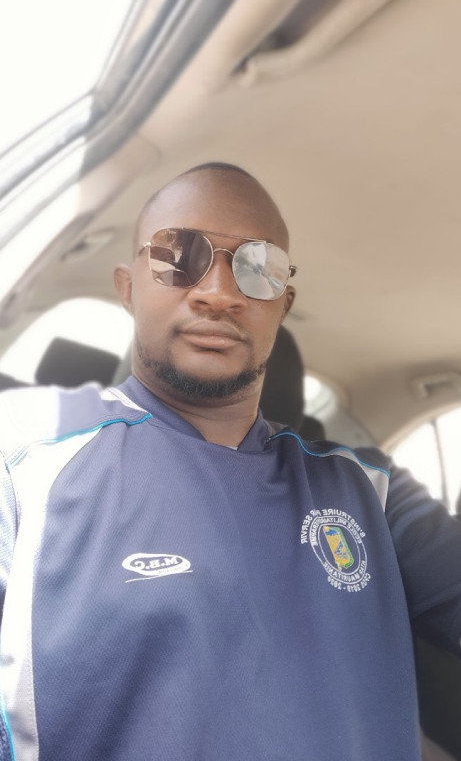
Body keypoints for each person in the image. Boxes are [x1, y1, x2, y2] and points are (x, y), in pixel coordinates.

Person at [0, 162, 460, 761]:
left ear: (283, 304)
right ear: (127, 287)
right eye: (178, 255)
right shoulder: (26, 452)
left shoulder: (369, 488)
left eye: (257, 268)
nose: (218, 293)